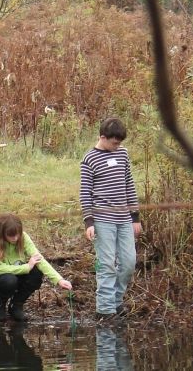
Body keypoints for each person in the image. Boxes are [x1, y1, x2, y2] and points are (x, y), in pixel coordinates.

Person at [79, 117, 142, 321]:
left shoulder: (122, 155)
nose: (117, 147)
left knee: (129, 261)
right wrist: (89, 221)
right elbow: (85, 193)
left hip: (124, 218)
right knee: (106, 263)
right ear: (102, 138)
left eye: (120, 143)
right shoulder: (89, 159)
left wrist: (135, 217)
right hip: (102, 220)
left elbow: (129, 185)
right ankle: (105, 309)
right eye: (114, 143)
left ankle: (116, 301)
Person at [0, 213, 73, 322]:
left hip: (16, 274)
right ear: (2, 233)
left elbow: (39, 259)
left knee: (37, 272)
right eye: (11, 236)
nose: (15, 238)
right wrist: (26, 267)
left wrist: (59, 280)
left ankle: (16, 304)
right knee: (9, 280)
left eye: (17, 235)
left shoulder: (23, 237)